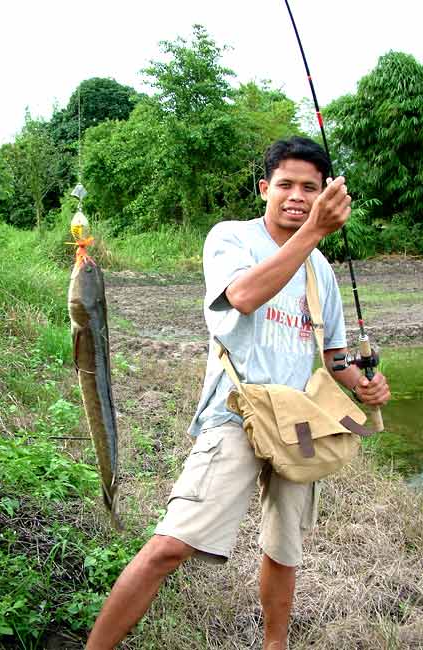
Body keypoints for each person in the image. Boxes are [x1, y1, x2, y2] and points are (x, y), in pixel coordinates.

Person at [86, 136, 391, 650]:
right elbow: (244, 296)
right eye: (286, 184)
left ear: (323, 195)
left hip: (299, 423)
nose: (297, 196)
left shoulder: (322, 272)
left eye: (310, 189)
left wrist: (364, 383)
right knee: (169, 545)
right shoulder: (231, 239)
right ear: (264, 188)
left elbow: (334, 355)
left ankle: (276, 645)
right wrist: (315, 231)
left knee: (284, 548)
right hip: (236, 413)